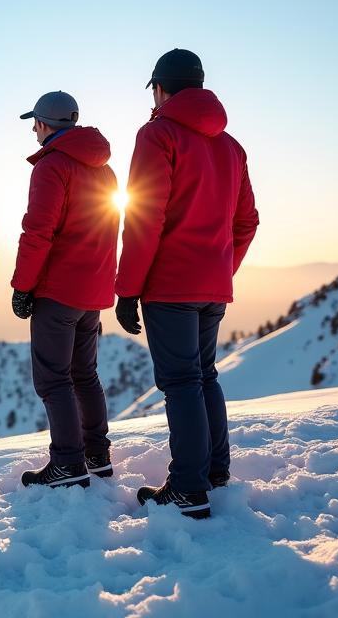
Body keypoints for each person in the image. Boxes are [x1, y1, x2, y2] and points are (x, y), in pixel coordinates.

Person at [116, 49, 259, 519]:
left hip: (170, 287)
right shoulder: (231, 146)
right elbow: (246, 221)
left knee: (181, 383)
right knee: (204, 376)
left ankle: (189, 489)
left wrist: (128, 289)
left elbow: (145, 216)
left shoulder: (157, 134)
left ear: (161, 88)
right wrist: (220, 268)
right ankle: (214, 473)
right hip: (212, 286)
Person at [10, 91, 120, 490]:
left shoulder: (51, 167)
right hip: (93, 289)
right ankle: (96, 455)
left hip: (58, 290)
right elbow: (110, 229)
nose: (33, 131)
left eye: (34, 124)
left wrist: (23, 287)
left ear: (42, 124)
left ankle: (68, 464)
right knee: (84, 374)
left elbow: (38, 233)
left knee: (54, 379)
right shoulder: (103, 170)